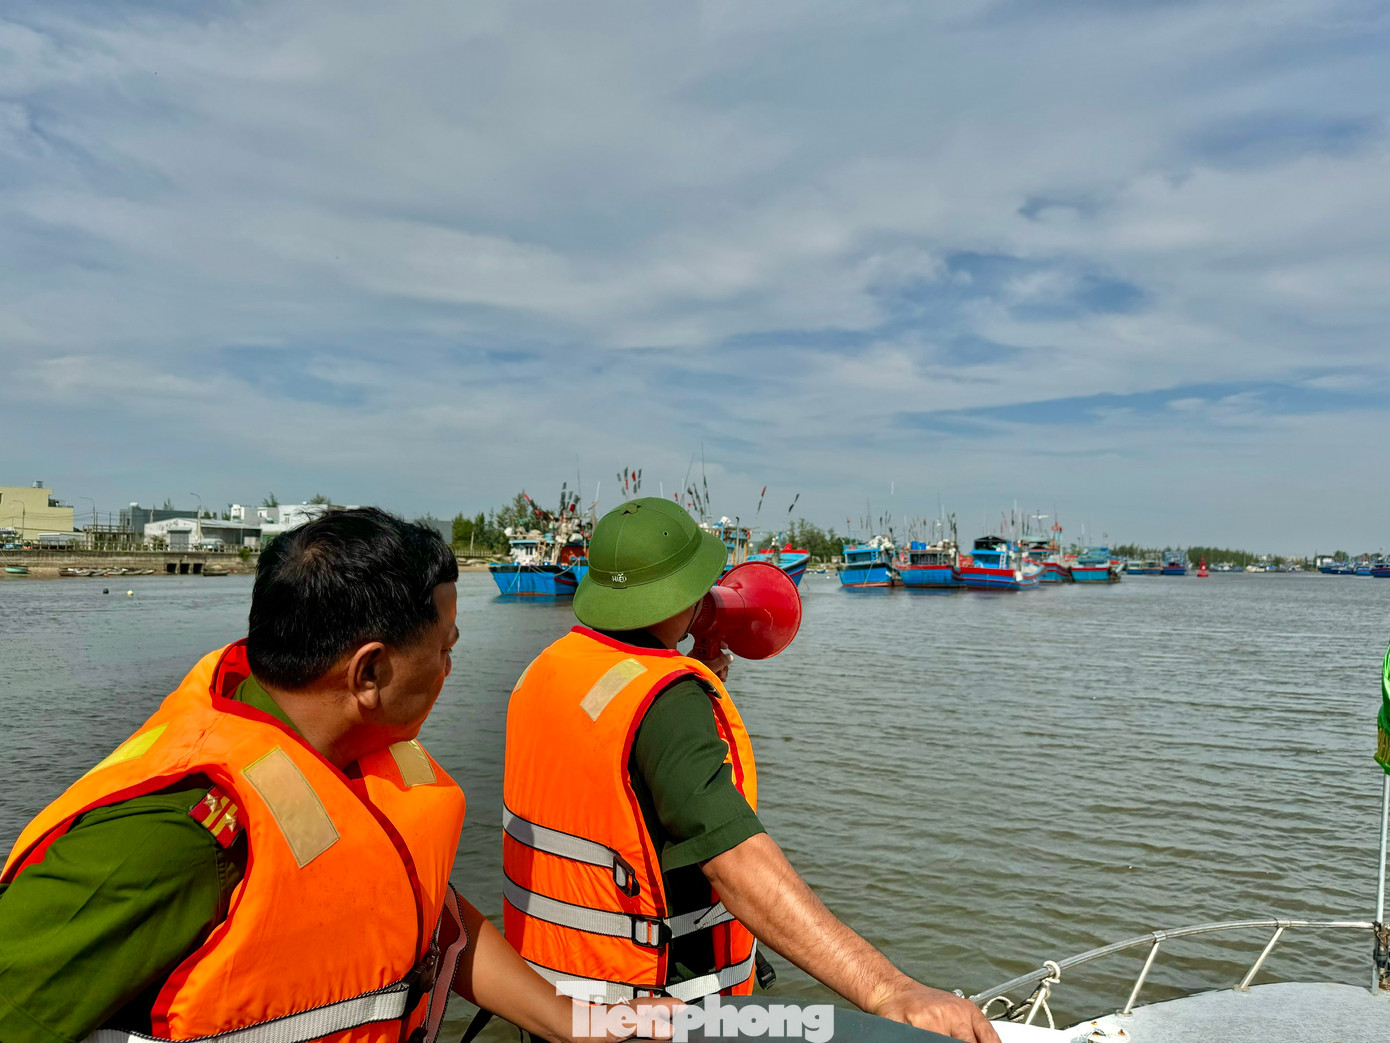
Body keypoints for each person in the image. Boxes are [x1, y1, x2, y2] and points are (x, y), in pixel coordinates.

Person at [0, 508, 667, 1043]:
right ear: (369, 674)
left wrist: (571, 1019)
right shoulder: (180, 832)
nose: (448, 671)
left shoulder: (355, 755)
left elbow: (423, 911)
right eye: (443, 651)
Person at [501, 498, 1000, 1043]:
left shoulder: (549, 669)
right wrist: (889, 990)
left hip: (553, 1003)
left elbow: (614, 780)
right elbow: (736, 863)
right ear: (684, 590)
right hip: (651, 1015)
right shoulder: (665, 702)